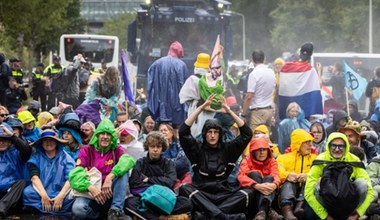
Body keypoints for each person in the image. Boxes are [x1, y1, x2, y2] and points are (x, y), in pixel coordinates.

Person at [178, 94, 254, 219]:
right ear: (204, 134)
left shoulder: (228, 148)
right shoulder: (196, 149)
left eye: (216, 132)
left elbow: (247, 133)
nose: (212, 135)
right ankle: (223, 217)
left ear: (220, 134)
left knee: (248, 192)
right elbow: (183, 131)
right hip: (201, 194)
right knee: (185, 189)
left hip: (224, 195)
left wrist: (229, 111)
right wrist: (201, 108)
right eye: (209, 132)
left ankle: (208, 216)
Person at [69, 118, 136, 219]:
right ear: (97, 135)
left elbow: (129, 160)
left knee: (124, 171)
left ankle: (115, 210)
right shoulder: (86, 150)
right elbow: (75, 175)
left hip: (110, 194)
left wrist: (110, 176)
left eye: (108, 134)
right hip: (90, 194)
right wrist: (91, 188)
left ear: (112, 136)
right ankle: (97, 217)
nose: (105, 137)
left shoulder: (116, 149)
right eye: (102, 134)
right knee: (78, 209)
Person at [304, 132, 375, 220]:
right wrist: (325, 216)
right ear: (328, 146)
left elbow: (370, 191)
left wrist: (357, 214)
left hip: (350, 205)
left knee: (362, 183)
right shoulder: (320, 160)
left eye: (341, 146)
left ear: (346, 147)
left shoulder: (354, 160)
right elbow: (308, 193)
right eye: (333, 146)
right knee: (317, 185)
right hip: (327, 208)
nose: (337, 149)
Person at [125, 131, 192, 219]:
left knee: (186, 202)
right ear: (147, 147)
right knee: (129, 202)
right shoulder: (140, 163)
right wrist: (156, 188)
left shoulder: (168, 163)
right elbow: (134, 184)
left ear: (162, 148)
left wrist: (150, 180)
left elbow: (171, 182)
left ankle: (150, 216)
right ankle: (162, 217)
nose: (155, 149)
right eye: (152, 146)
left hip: (164, 198)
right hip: (146, 199)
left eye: (158, 147)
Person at [22, 129, 75, 215]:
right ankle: (52, 207)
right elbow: (34, 178)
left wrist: (60, 197)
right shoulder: (36, 157)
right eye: (45, 140)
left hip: (61, 191)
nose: (48, 142)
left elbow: (70, 179)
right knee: (27, 193)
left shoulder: (66, 158)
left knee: (72, 197)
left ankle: (43, 208)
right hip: (41, 191)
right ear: (41, 143)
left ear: (56, 142)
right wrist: (44, 196)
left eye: (51, 140)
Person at [238, 138, 283, 220]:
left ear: (268, 151)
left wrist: (274, 184)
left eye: (264, 150)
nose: (261, 153)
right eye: (258, 150)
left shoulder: (272, 161)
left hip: (269, 191)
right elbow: (241, 176)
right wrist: (256, 185)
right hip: (252, 194)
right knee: (254, 174)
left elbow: (276, 175)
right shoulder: (247, 160)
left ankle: (262, 211)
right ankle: (269, 210)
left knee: (269, 178)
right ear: (253, 152)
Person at [276, 128, 317, 220]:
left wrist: (308, 176)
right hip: (288, 191)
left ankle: (299, 206)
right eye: (307, 142)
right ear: (298, 144)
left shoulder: (315, 158)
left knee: (308, 182)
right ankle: (287, 211)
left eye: (311, 142)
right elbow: (277, 170)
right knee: (288, 182)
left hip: (306, 193)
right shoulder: (283, 158)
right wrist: (288, 175)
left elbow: (320, 172)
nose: (311, 145)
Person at [147, 41, 188, 129]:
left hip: (160, 109)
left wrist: (154, 108)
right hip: (177, 111)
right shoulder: (182, 65)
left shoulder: (156, 64)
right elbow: (184, 88)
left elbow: (150, 86)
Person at [278, 42, 323, 120]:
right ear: (311, 54)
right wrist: (319, 71)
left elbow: (282, 85)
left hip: (289, 108)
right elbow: (319, 86)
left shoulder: (287, 67)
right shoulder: (310, 70)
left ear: (300, 52)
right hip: (304, 109)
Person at [0, 122, 32, 217]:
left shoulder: (16, 153)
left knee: (22, 182)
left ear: (10, 142)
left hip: (11, 192)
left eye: (5, 140)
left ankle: (1, 207)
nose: (1, 143)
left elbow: (27, 150)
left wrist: (12, 136)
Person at [242, 50, 276, 131]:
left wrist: (243, 114)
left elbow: (249, 97)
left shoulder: (254, 74)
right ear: (264, 59)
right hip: (269, 110)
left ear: (252, 60)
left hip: (258, 112)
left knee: (256, 139)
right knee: (266, 138)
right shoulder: (271, 72)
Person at [159, 123, 192, 191]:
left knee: (189, 180)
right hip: (170, 176)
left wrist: (170, 163)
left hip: (185, 173)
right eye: (161, 131)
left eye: (165, 130)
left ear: (171, 132)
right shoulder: (159, 149)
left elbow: (183, 162)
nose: (163, 132)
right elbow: (163, 165)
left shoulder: (180, 143)